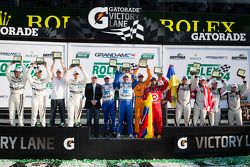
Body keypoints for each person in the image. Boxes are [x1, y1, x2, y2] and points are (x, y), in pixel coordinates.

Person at [113, 67, 138, 138]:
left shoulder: (131, 84)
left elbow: (136, 81)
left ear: (129, 78)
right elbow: (115, 82)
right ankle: (118, 133)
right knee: (120, 119)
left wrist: (131, 73)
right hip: (122, 103)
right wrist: (117, 72)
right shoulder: (120, 84)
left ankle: (130, 133)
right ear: (123, 78)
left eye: (127, 78)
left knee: (129, 119)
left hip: (129, 103)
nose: (126, 79)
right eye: (124, 78)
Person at [27, 63, 50, 127]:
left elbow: (50, 75)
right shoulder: (33, 80)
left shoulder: (44, 80)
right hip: (35, 97)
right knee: (34, 113)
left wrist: (46, 67)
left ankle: (43, 125)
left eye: (40, 72)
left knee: (42, 114)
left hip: (42, 98)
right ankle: (33, 126)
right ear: (36, 73)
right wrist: (32, 67)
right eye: (38, 72)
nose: (40, 73)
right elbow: (28, 75)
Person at [6, 62, 27, 126]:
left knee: (20, 111)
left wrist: (21, 64)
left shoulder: (23, 79)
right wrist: (11, 64)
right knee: (11, 111)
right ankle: (12, 124)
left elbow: (26, 72)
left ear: (20, 73)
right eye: (15, 72)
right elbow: (7, 72)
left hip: (19, 95)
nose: (17, 73)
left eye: (18, 72)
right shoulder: (11, 78)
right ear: (14, 72)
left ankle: (21, 124)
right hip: (12, 95)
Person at [133, 65, 152, 137]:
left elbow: (150, 76)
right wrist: (137, 68)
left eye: (142, 77)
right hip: (137, 100)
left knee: (143, 116)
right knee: (137, 116)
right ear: (138, 78)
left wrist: (147, 68)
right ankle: (136, 132)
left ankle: (143, 131)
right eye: (140, 77)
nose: (141, 78)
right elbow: (133, 75)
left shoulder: (145, 83)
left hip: (143, 101)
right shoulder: (135, 83)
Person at [49, 59, 67, 127]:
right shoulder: (54, 78)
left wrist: (61, 62)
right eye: (57, 72)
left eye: (59, 72)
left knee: (62, 114)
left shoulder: (64, 79)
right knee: (52, 114)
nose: (58, 73)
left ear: (61, 73)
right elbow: (51, 70)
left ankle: (63, 123)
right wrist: (53, 62)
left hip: (61, 99)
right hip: (53, 99)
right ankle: (52, 124)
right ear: (56, 73)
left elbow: (65, 70)